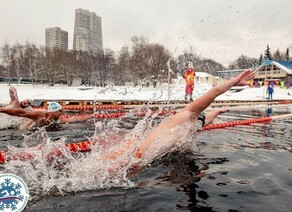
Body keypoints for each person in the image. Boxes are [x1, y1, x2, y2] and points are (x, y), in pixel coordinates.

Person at [105, 69, 255, 173]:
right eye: (198, 120)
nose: (198, 125)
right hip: (135, 155)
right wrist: (234, 82)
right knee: (103, 172)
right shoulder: (185, 115)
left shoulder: (189, 127)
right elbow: (214, 92)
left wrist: (217, 112)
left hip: (139, 158)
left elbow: (204, 121)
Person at [0, 102, 93, 129]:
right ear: (55, 111)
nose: (62, 114)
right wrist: (2, 110)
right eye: (60, 111)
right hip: (24, 127)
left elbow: (75, 119)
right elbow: (20, 112)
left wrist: (92, 116)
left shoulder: (58, 120)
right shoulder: (40, 115)